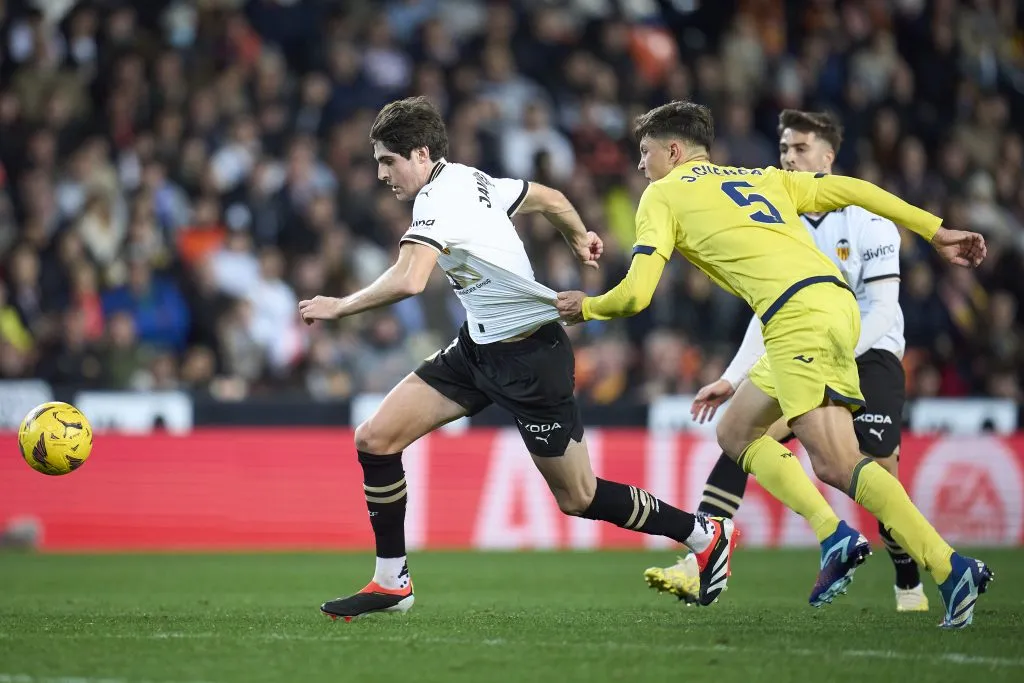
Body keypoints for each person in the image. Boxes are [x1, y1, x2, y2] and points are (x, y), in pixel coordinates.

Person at [555, 101, 992, 629]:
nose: (640, 165)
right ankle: (835, 536)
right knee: (736, 430)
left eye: (645, 153)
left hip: (796, 319)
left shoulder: (662, 195)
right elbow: (851, 188)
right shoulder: (760, 177)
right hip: (825, 307)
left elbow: (637, 294)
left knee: (835, 461)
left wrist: (589, 307)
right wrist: (934, 229)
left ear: (673, 152)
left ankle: (947, 566)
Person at [298, 96, 738, 622]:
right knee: (374, 438)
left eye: (387, 161)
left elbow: (412, 279)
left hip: (531, 358)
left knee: (579, 496)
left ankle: (702, 533)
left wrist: (340, 306)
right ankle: (393, 582)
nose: (380, 173)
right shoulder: (470, 179)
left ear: (419, 153)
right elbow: (548, 198)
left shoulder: (439, 199)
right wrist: (578, 236)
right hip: (478, 349)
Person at [643, 110, 929, 613]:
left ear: (827, 158)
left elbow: (884, 309)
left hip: (871, 351)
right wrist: (733, 377)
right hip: (802, 347)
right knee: (739, 439)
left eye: (800, 149)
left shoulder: (868, 220)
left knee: (875, 470)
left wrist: (831, 349)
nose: (789, 157)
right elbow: (768, 310)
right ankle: (702, 562)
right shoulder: (774, 209)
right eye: (784, 149)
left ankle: (909, 581)